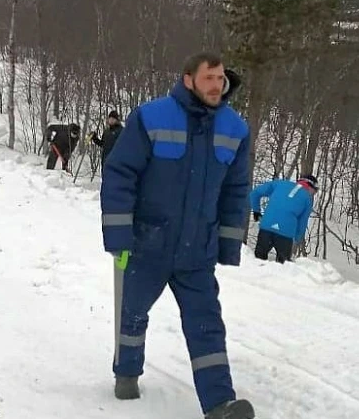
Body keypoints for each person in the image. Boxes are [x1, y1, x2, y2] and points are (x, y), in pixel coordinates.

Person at [100, 52, 255, 419]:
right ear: (188, 79)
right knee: (132, 314)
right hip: (146, 244)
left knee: (207, 325)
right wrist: (119, 234)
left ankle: (219, 405)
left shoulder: (235, 129)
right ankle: (126, 373)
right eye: (209, 78)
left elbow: (236, 189)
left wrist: (228, 243)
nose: (217, 85)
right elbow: (121, 174)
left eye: (221, 79)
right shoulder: (151, 117)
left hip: (197, 253)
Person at [249, 174, 317, 263]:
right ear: (311, 187)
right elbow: (302, 223)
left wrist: (256, 211)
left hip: (266, 227)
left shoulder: (280, 184)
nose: (313, 194)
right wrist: (296, 239)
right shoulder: (307, 199)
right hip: (285, 233)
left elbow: (255, 193)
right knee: (283, 267)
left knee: (257, 261)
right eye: (315, 191)